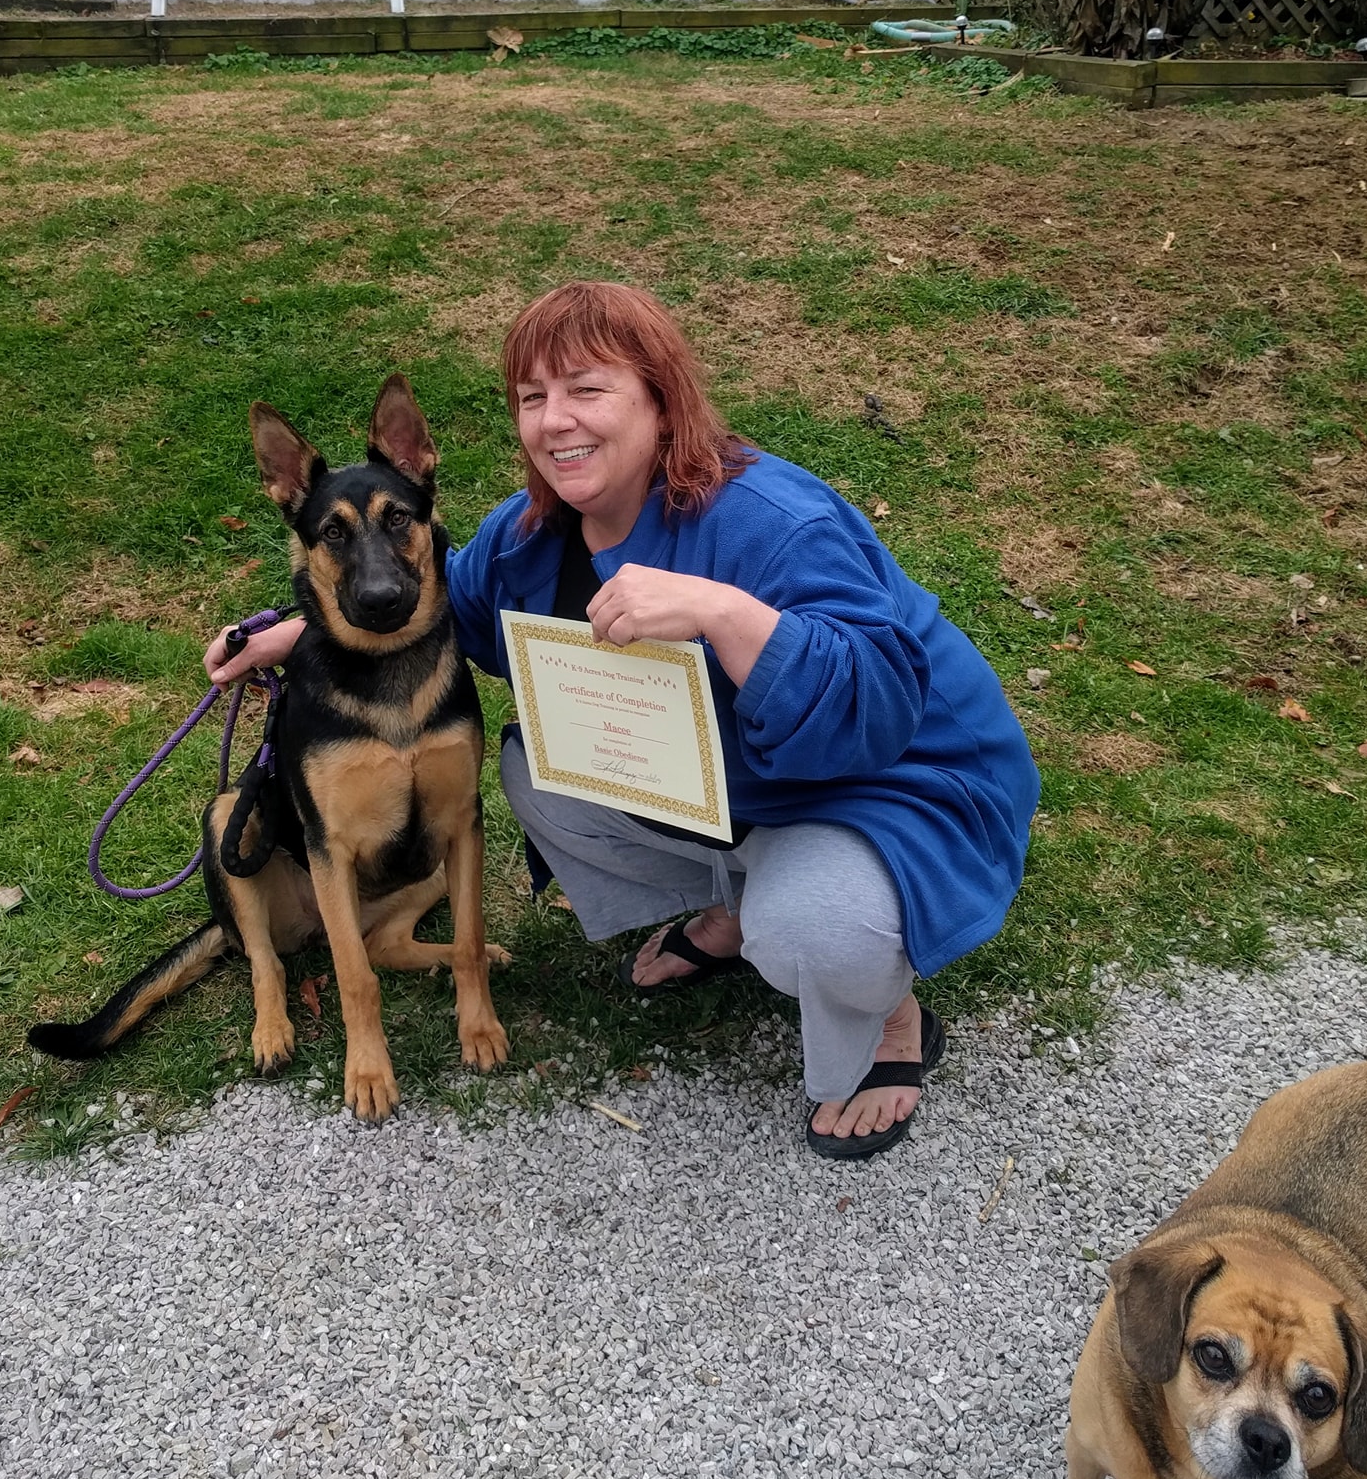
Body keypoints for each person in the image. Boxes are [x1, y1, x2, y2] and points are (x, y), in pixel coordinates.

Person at [206, 282, 1039, 1162]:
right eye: (534, 397)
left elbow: (877, 703)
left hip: (896, 783)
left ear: (660, 398)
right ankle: (739, 904)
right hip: (750, 783)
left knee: (817, 927)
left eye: (587, 389)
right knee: (540, 772)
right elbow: (448, 605)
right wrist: (289, 637)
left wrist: (722, 612)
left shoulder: (774, 520)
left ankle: (889, 1013)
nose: (556, 420)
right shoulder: (530, 534)